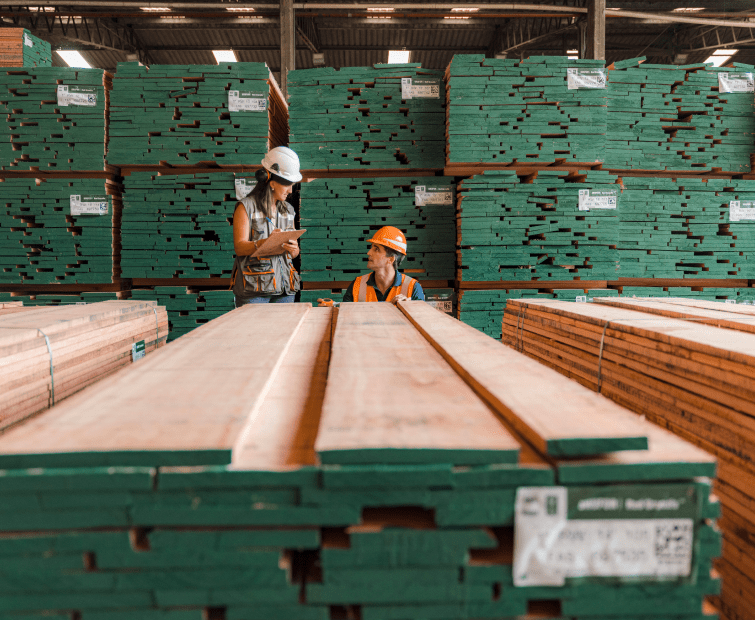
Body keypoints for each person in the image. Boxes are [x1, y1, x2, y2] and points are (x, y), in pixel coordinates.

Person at [231, 146, 303, 306]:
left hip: (285, 289)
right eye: (287, 185)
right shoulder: (246, 208)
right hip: (255, 290)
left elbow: (293, 254)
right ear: (271, 181)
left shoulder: (288, 210)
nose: (290, 191)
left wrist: (294, 250)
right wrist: (264, 243)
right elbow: (240, 247)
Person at [342, 226, 425, 303]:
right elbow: (344, 316)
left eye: (376, 249)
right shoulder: (357, 286)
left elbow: (423, 318)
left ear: (391, 259)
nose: (369, 253)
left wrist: (410, 309)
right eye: (371, 248)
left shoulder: (413, 288)